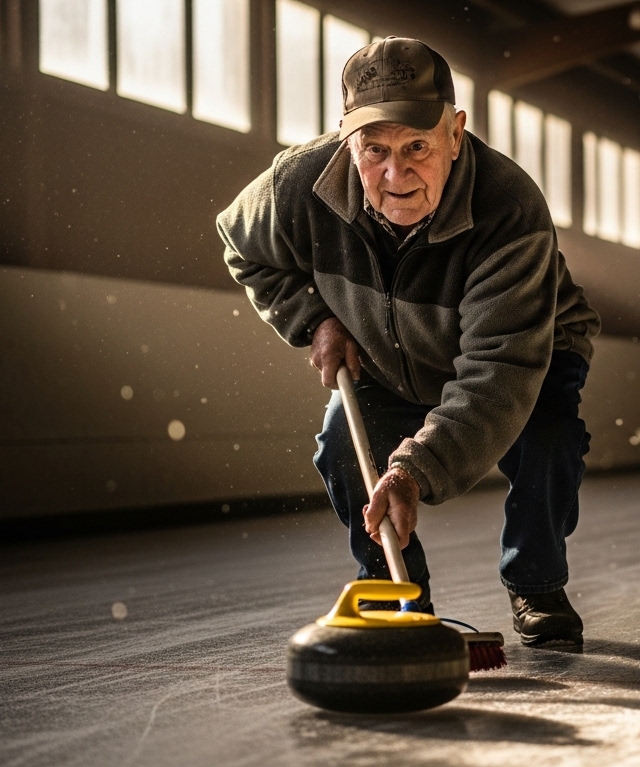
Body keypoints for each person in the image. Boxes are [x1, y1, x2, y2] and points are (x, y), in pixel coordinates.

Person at [215, 37, 600, 647]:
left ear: (455, 132)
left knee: (546, 441)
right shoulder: (298, 186)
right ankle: (399, 594)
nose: (395, 174)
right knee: (344, 449)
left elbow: (497, 370)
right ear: (347, 143)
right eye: (375, 150)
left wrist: (416, 467)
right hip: (387, 357)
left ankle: (538, 581)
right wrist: (314, 319)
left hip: (530, 349)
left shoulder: (509, 208)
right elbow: (242, 246)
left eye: (417, 146)